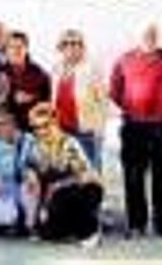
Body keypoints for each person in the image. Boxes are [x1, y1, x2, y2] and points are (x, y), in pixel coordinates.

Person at [109, 23, 162, 240]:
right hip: (134, 126)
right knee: (133, 177)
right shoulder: (124, 60)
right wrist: (133, 107)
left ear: (159, 37)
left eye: (154, 34)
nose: (150, 38)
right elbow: (115, 91)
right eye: (146, 34)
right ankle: (136, 224)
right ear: (138, 37)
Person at [24, 103, 104, 247]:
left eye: (46, 125)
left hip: (81, 188)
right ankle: (58, 228)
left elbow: (83, 175)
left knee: (78, 193)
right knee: (51, 234)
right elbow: (30, 168)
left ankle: (91, 233)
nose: (41, 131)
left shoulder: (69, 143)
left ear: (55, 122)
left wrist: (58, 185)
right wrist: (30, 175)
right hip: (54, 197)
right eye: (36, 127)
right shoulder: (35, 146)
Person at [51, 29, 107, 170]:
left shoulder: (92, 67)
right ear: (61, 47)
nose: (70, 46)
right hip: (62, 131)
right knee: (68, 173)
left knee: (90, 173)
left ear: (82, 47)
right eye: (66, 43)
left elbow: (103, 101)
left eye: (75, 43)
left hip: (85, 131)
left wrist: (99, 131)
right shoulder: (56, 68)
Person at [0, 31, 51, 131]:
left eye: (20, 47)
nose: (16, 51)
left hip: (34, 130)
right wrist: (12, 98)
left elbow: (48, 104)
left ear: (26, 49)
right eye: (11, 47)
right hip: (7, 131)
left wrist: (32, 99)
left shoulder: (40, 73)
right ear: (6, 51)